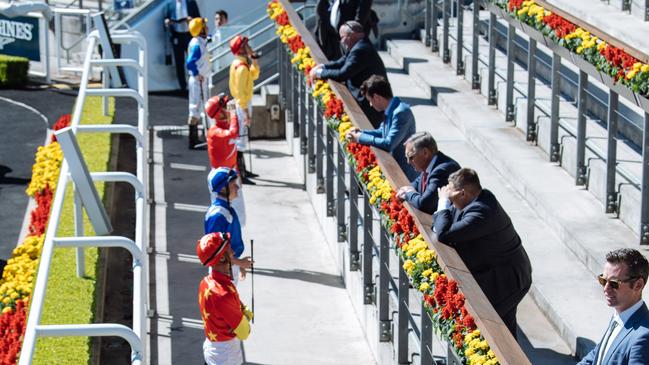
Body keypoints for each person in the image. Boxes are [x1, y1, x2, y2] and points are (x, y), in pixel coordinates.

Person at [433, 168, 532, 338]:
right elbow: (444, 226)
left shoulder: (482, 211)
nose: (449, 200)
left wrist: (442, 202)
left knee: (488, 328)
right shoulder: (473, 200)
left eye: (451, 196)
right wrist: (446, 205)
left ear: (463, 193)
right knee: (503, 329)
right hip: (498, 273)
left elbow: (443, 233)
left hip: (508, 279)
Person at [577, 248, 649, 365]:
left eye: (614, 283)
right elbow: (598, 354)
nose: (606, 289)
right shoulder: (619, 315)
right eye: (603, 280)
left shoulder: (643, 337)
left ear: (638, 285)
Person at [309, 21, 387, 128]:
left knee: (368, 132)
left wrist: (319, 73)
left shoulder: (360, 50)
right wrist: (323, 66)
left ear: (351, 35)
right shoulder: (359, 45)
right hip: (365, 99)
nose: (341, 41)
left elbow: (343, 74)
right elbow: (341, 62)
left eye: (342, 37)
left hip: (370, 103)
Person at [196, 232, 253, 365]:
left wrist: (241, 312)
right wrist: (246, 316)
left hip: (214, 354)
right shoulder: (224, 295)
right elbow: (244, 332)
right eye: (229, 250)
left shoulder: (205, 282)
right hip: (226, 358)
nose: (233, 252)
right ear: (222, 259)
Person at [345, 75, 417, 180]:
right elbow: (381, 132)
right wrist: (361, 132)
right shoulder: (392, 109)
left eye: (370, 100)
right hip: (394, 168)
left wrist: (360, 137)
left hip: (404, 174)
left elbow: (388, 143)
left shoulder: (401, 112)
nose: (370, 105)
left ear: (377, 97)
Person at [204, 96, 247, 226]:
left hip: (231, 173)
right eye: (224, 105)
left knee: (240, 217)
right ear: (220, 112)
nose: (227, 106)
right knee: (223, 214)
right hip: (221, 178)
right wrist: (233, 112)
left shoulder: (223, 126)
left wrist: (237, 173)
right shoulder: (214, 131)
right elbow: (233, 133)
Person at [205, 167, 252, 283]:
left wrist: (238, 263)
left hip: (229, 266)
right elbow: (216, 251)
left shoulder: (227, 209)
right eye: (233, 184)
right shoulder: (218, 216)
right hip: (223, 271)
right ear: (223, 189)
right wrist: (240, 262)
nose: (237, 187)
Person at [396, 132, 461, 214]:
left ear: (425, 153)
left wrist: (408, 193)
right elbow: (419, 181)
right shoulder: (429, 164)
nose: (408, 162)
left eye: (411, 157)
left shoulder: (442, 170)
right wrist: (407, 189)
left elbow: (424, 204)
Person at [229, 35, 260, 178]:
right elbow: (241, 93)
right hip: (243, 105)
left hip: (243, 103)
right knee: (241, 138)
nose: (250, 47)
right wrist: (246, 112)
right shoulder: (241, 68)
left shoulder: (240, 64)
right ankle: (240, 173)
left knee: (243, 137)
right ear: (242, 49)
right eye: (247, 45)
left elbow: (254, 75)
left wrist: (254, 60)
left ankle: (242, 170)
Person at [164, 0, 201, 92]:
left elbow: (198, 19)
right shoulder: (170, 5)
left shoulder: (191, 2)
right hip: (177, 35)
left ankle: (196, 83)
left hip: (189, 35)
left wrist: (192, 20)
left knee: (193, 60)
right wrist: (167, 22)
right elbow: (165, 20)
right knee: (179, 62)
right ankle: (183, 87)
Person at [186, 17, 210, 149]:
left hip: (200, 79)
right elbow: (189, 62)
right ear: (200, 29)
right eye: (204, 26)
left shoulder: (200, 41)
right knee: (195, 109)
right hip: (197, 80)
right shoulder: (196, 44)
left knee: (201, 108)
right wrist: (196, 73)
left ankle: (198, 138)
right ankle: (193, 141)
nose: (207, 27)